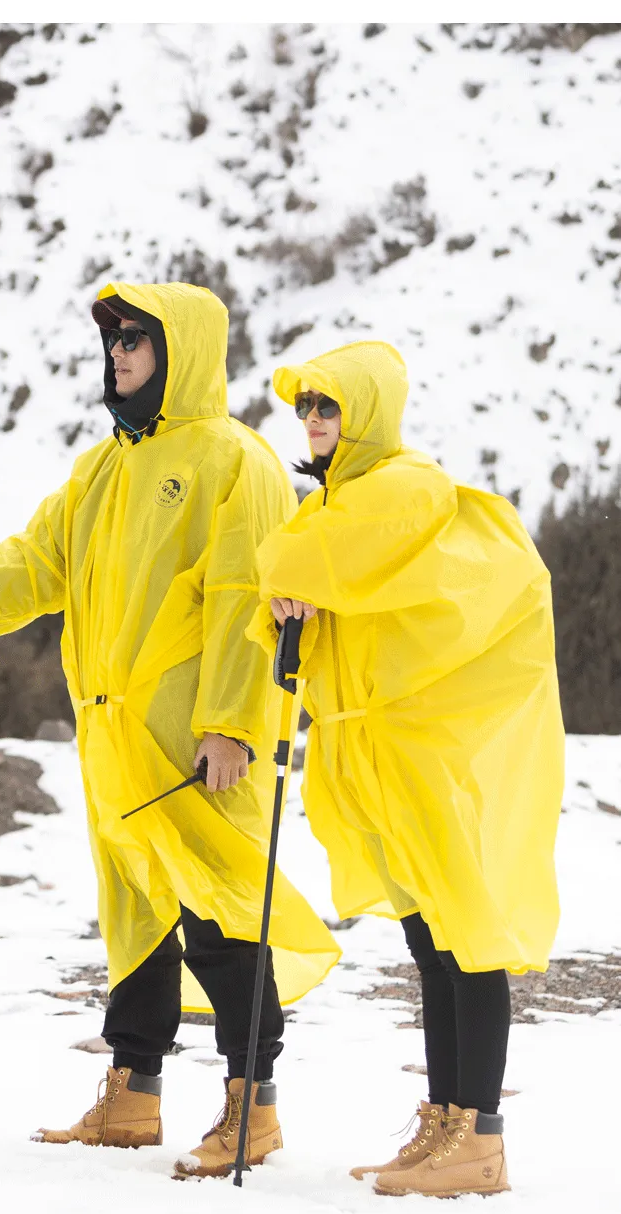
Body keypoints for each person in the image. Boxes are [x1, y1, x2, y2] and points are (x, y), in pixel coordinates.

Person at [0, 282, 339, 1179]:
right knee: (133, 915)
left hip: (198, 740)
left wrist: (232, 725)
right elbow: (33, 565)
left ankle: (253, 1104)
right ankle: (133, 1093)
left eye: (136, 337)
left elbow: (245, 602)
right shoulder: (100, 469)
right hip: (113, 735)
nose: (119, 352)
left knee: (218, 912)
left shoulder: (234, 460)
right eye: (114, 339)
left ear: (181, 350)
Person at [247, 341, 564, 1199]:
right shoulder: (340, 499)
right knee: (431, 943)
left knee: (465, 936)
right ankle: (446, 1120)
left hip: (424, 752)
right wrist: (288, 598)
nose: (313, 421)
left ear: (369, 413)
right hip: (379, 753)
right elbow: (296, 576)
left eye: (329, 406)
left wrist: (288, 579)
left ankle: (480, 1137)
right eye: (306, 407)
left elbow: (287, 559)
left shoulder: (400, 486)